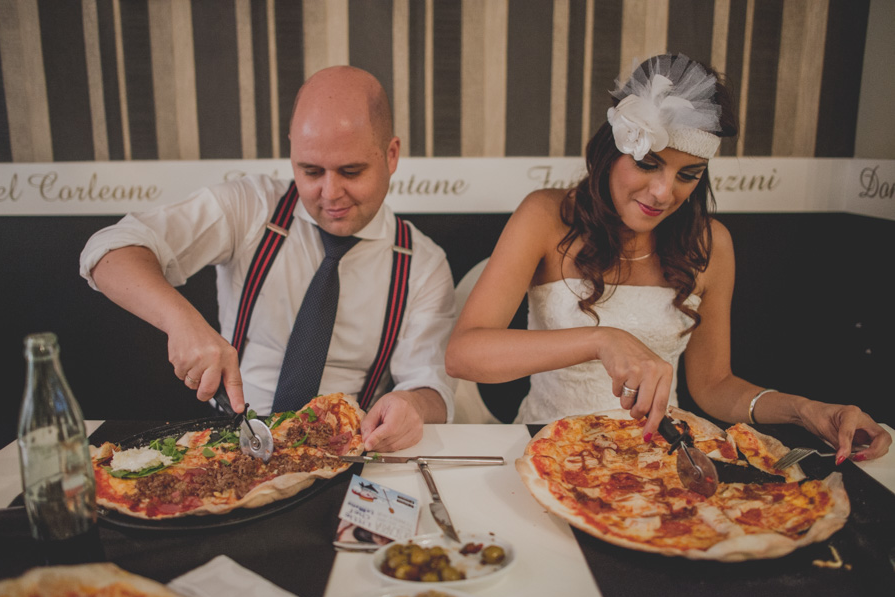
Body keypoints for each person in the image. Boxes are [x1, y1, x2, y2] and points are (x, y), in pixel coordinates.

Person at [445, 54, 891, 462]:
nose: (663, 193)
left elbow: (714, 387)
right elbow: (465, 354)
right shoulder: (545, 215)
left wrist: (806, 411)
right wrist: (602, 339)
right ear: (612, 150)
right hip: (549, 449)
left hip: (657, 464)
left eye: (688, 175)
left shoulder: (710, 244)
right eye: (647, 163)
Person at [80, 66, 455, 452]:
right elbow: (108, 250)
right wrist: (181, 321)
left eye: (351, 171)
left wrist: (412, 405)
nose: (330, 193)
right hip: (230, 439)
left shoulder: (422, 264)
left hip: (347, 450)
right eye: (310, 171)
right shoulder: (251, 207)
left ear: (391, 155)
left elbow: (432, 389)